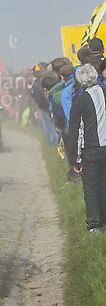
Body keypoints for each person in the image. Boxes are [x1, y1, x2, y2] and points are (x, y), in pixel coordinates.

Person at [68, 63, 106, 232]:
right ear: (96, 75)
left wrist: (74, 159)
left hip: (90, 151)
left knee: (91, 189)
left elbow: (75, 131)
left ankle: (94, 225)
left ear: (80, 82)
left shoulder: (80, 101)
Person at [29, 65, 58, 145]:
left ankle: (51, 140)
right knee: (50, 125)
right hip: (46, 106)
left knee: (48, 125)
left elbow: (35, 96)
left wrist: (30, 89)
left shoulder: (37, 84)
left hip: (45, 107)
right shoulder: (42, 82)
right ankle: (51, 140)